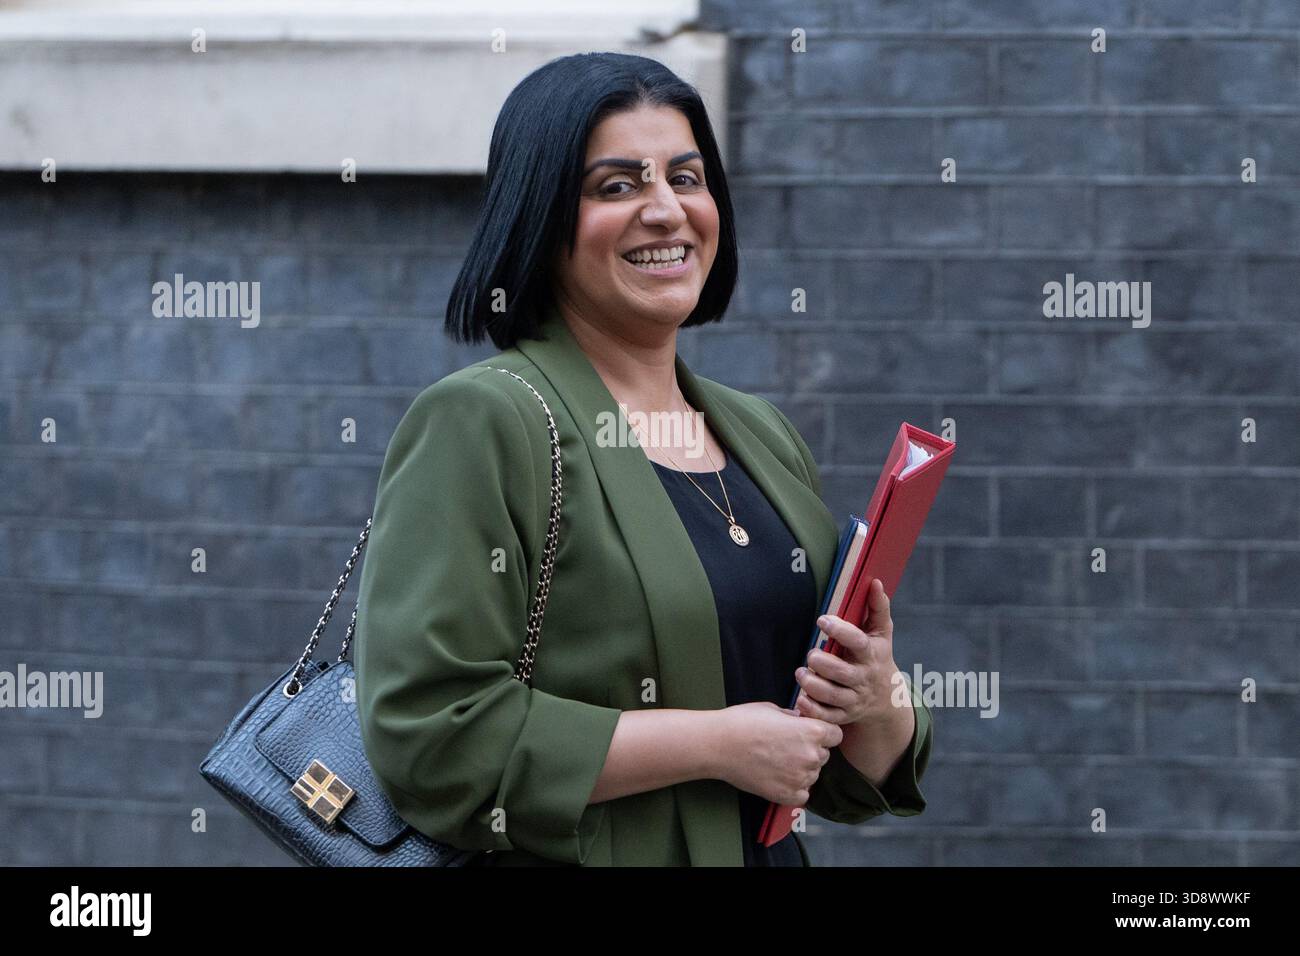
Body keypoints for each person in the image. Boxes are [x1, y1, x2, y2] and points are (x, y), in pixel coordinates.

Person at [353, 51, 932, 867]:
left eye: (687, 178)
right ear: (541, 218)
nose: (666, 210)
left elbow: (838, 775)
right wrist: (713, 745)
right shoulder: (486, 421)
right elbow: (431, 736)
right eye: (616, 185)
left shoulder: (757, 433)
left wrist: (876, 700)